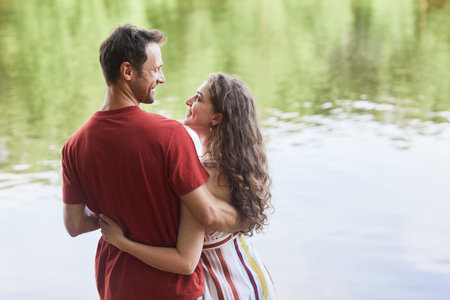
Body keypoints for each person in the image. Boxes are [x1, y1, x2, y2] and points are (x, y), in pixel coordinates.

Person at [62, 25, 243, 300]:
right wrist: (247, 216)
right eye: (155, 69)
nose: (162, 78)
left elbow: (74, 225)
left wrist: (116, 224)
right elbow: (205, 215)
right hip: (171, 290)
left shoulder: (73, 146)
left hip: (116, 287)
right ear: (127, 72)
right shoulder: (170, 135)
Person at [99, 73, 277, 299]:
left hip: (230, 286)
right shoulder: (228, 166)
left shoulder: (206, 174)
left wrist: (121, 242)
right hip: (247, 273)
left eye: (199, 98)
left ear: (216, 118)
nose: (189, 101)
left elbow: (185, 262)